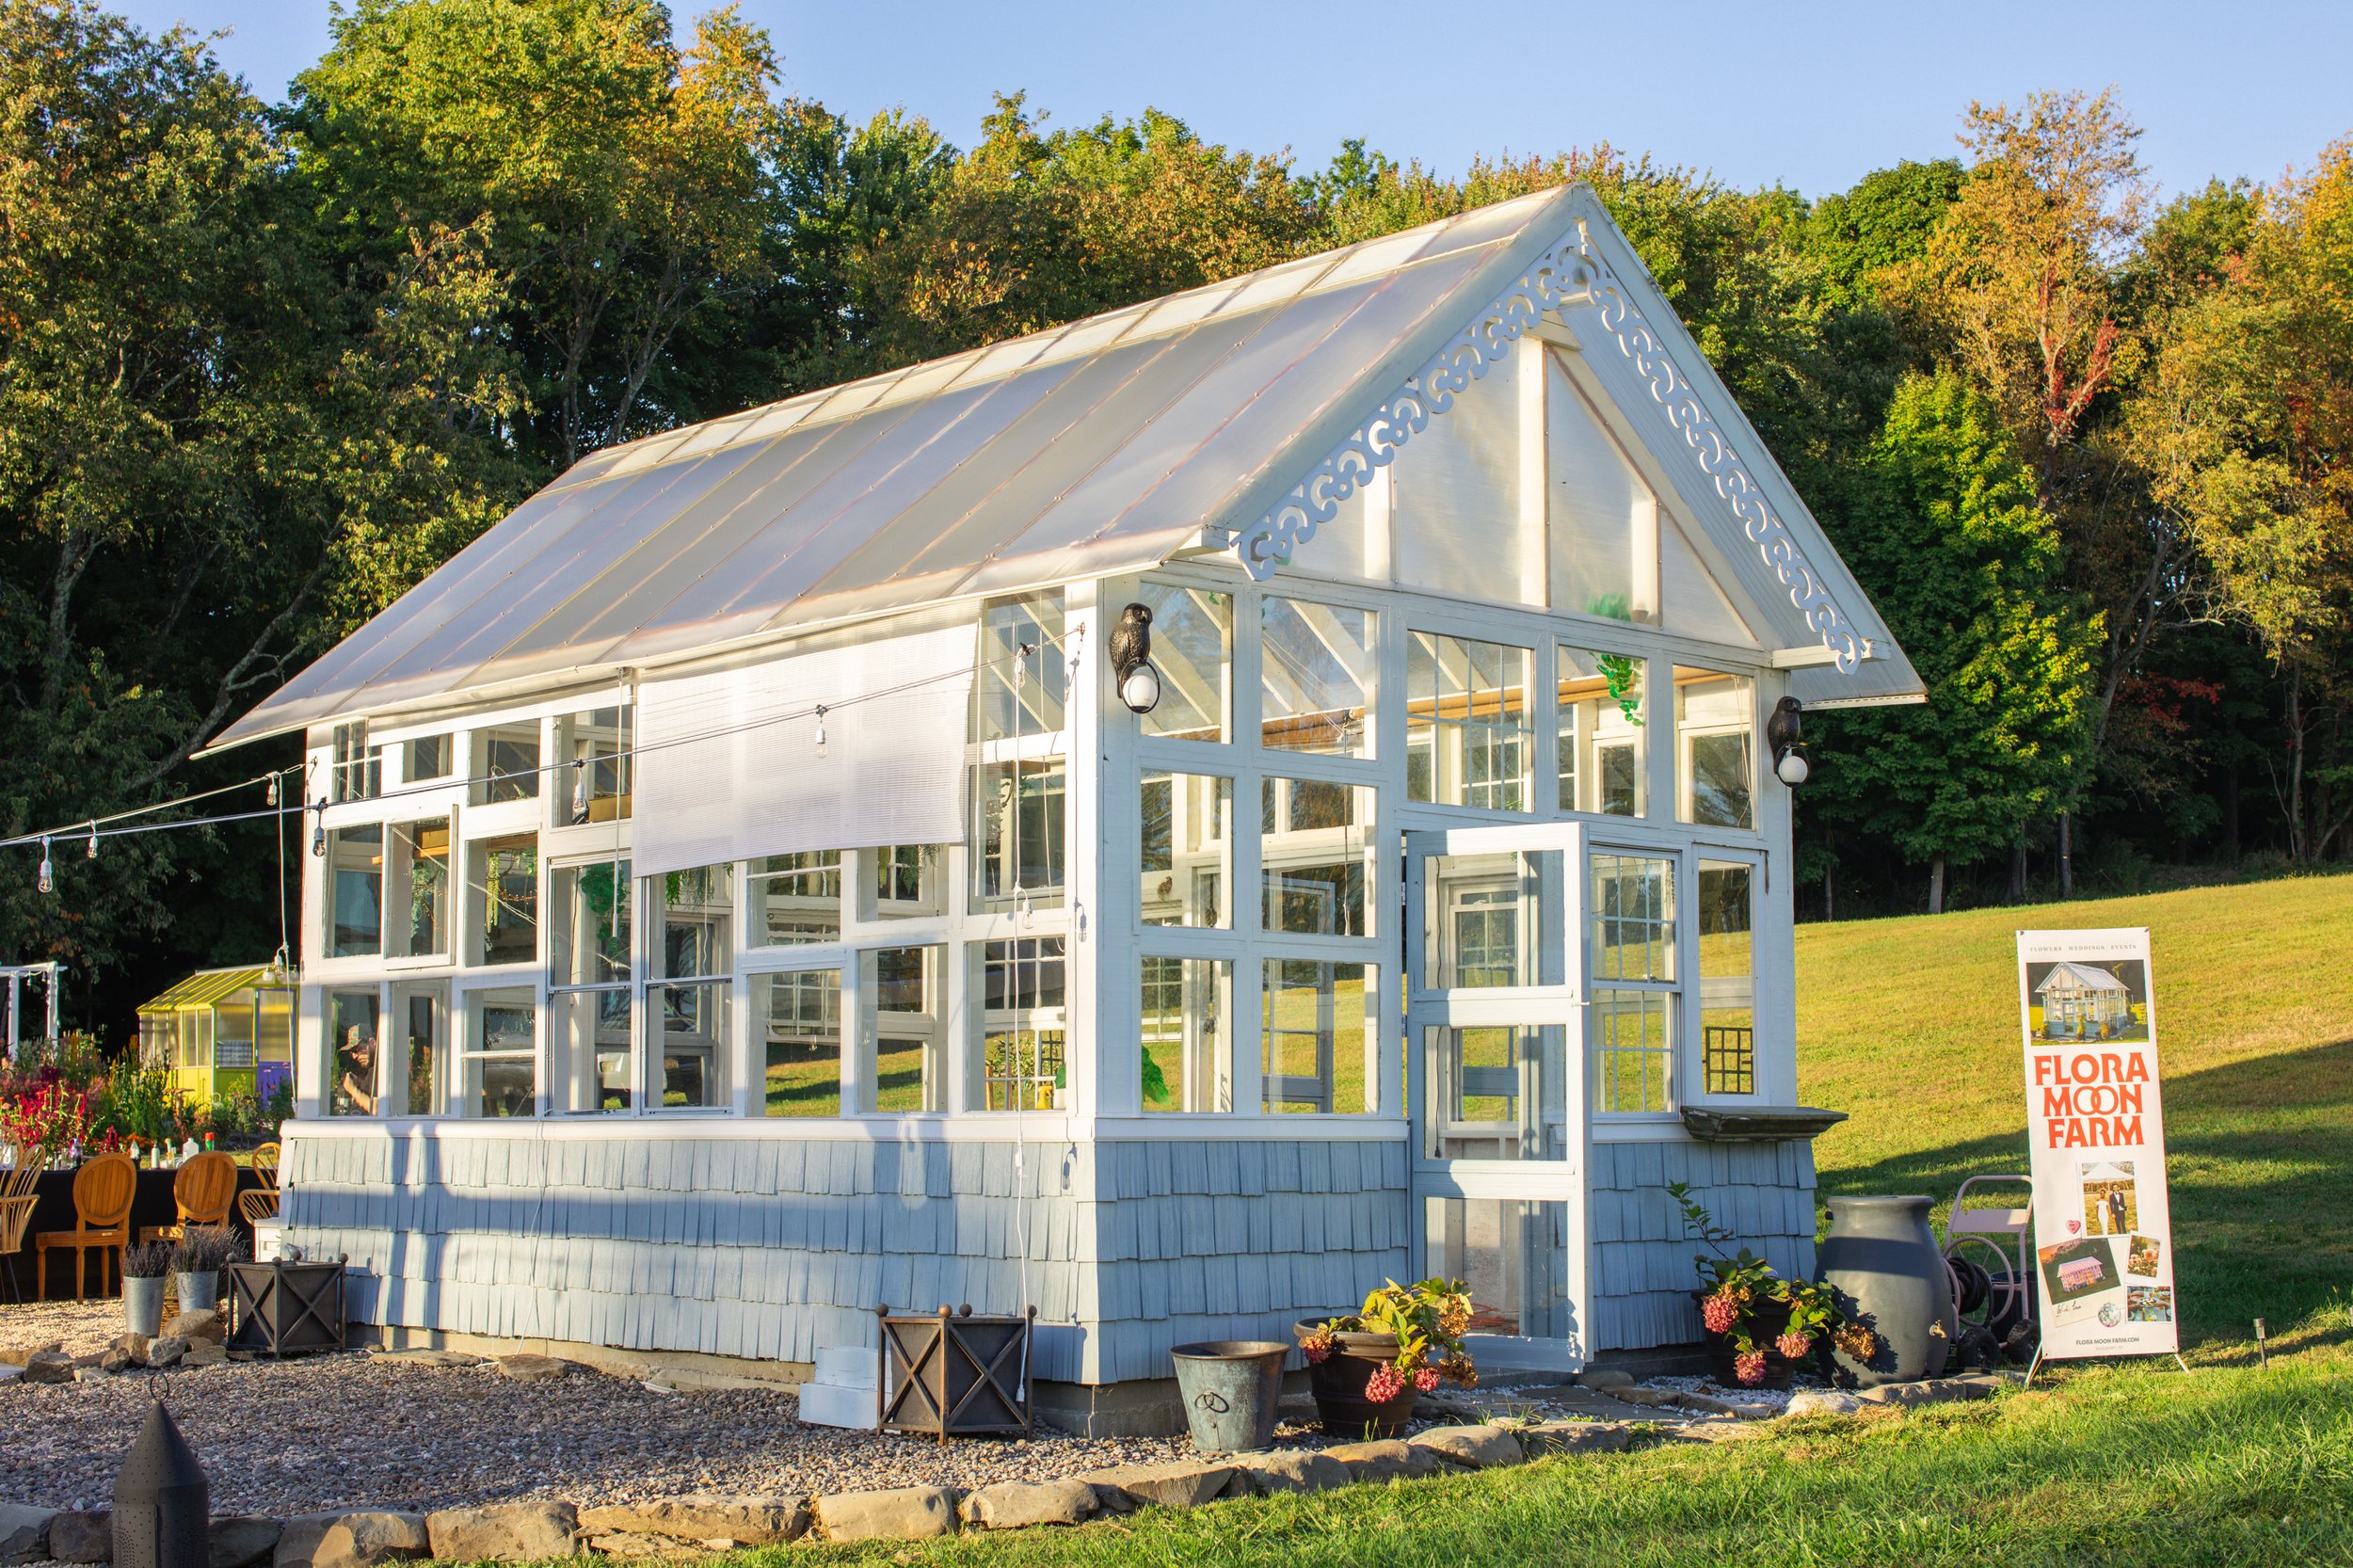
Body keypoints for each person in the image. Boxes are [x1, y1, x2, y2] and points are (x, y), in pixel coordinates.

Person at [339, 1026, 377, 1114]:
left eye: (359, 1049)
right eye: (353, 1052)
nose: (355, 1056)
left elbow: (376, 1110)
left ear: (372, 1042)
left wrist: (352, 1089)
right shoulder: (368, 1070)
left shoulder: (379, 1070)